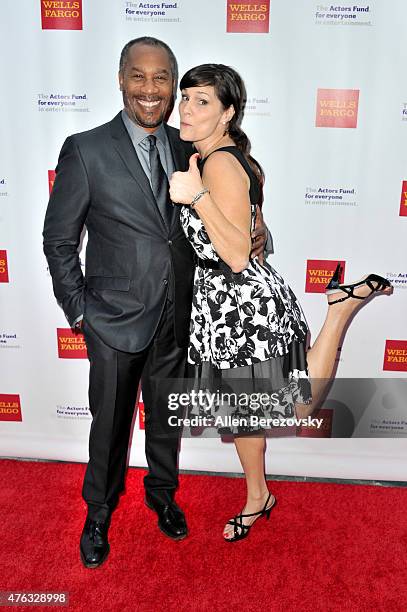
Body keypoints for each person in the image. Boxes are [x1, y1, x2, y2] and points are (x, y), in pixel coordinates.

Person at [43, 38, 268, 567]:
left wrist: (258, 234)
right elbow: (59, 240)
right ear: (121, 79)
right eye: (139, 77)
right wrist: (79, 311)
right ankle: (98, 513)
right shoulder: (86, 148)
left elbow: (225, 217)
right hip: (113, 320)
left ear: (173, 84)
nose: (151, 90)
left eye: (162, 78)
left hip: (180, 316)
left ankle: (162, 494)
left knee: (167, 418)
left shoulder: (189, 143)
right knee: (110, 424)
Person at [169, 63, 393, 542]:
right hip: (228, 305)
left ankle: (338, 312)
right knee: (246, 411)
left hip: (240, 307)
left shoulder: (217, 164)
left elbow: (231, 255)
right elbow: (253, 235)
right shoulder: (224, 158)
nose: (186, 108)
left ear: (227, 113)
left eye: (202, 101)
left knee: (293, 408)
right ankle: (258, 495)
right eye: (186, 97)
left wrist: (198, 197)